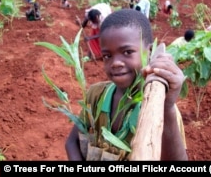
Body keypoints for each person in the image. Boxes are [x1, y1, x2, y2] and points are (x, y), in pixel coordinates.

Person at [65, 9, 188, 161]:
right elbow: (72, 142)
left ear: (149, 52)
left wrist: (167, 108)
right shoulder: (96, 95)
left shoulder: (159, 109)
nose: (115, 63)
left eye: (128, 52)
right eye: (107, 56)